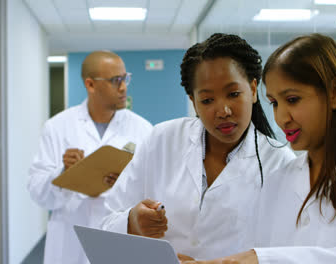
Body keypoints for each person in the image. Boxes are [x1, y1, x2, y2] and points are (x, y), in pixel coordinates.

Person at [181, 34, 336, 263]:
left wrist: (265, 259)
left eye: (292, 100)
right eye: (274, 103)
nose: (282, 117)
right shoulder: (279, 180)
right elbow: (256, 254)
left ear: (334, 93)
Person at [101, 33, 296, 260]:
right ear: (193, 101)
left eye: (233, 94)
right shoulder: (162, 140)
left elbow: (286, 252)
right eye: (207, 100)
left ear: (253, 90)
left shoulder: (280, 163)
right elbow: (104, 222)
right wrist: (131, 222)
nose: (223, 111)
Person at [28, 50, 153, 264]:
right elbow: (38, 192)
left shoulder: (143, 129)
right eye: (116, 80)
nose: (123, 87)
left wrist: (124, 184)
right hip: (70, 240)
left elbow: (153, 190)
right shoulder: (57, 127)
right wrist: (64, 173)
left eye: (125, 78)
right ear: (90, 84)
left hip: (119, 239)